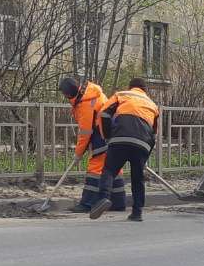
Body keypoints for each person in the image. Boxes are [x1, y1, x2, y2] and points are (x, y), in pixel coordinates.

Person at [91, 77, 159, 222]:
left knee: (109, 170)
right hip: (143, 144)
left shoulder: (121, 95)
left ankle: (103, 198)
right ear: (145, 90)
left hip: (120, 138)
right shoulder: (152, 105)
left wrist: (108, 136)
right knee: (137, 177)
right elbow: (154, 134)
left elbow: (103, 114)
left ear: (130, 87)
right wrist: (145, 156)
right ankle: (137, 212)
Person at [58, 77, 125, 214]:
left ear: (69, 93)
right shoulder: (93, 93)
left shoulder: (85, 104)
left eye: (64, 94)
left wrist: (78, 154)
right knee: (114, 167)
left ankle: (88, 203)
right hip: (111, 133)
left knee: (95, 168)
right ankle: (118, 202)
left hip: (101, 136)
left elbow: (85, 133)